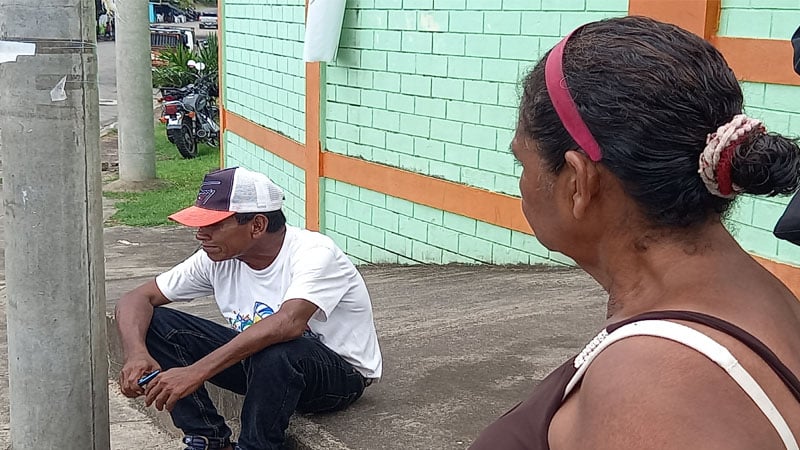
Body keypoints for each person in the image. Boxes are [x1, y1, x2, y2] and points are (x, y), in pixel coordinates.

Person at [471, 16, 800, 450]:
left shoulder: (652, 383)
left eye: (523, 164)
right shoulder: (761, 296)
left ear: (577, 181)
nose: (521, 184)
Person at [115, 167, 382, 450]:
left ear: (257, 225)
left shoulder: (315, 253)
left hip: (337, 376)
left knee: (279, 347)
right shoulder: (215, 258)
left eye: (213, 225)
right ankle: (208, 440)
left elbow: (289, 323)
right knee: (157, 323)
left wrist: (195, 372)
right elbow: (135, 299)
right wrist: (136, 355)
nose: (200, 235)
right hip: (264, 367)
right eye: (199, 224)